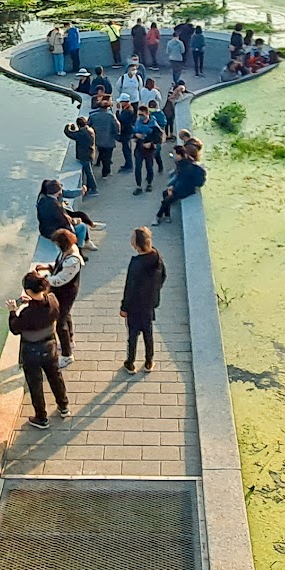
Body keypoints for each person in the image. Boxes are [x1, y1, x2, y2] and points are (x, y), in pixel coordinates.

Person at [9, 273, 68, 430]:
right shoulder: (53, 301)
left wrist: (13, 311)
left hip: (32, 350)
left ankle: (41, 417)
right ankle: (63, 406)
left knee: (35, 384)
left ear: (28, 291)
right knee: (55, 376)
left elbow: (15, 328)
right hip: (50, 345)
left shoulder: (27, 314)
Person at [119, 227, 167, 375]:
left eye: (132, 237)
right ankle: (148, 361)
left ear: (136, 244)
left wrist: (124, 307)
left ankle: (130, 363)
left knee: (132, 336)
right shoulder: (157, 256)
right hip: (149, 304)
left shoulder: (136, 263)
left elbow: (130, 287)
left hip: (135, 307)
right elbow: (163, 276)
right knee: (148, 334)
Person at [34, 228, 85, 365]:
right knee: (66, 315)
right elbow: (58, 267)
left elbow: (61, 279)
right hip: (62, 291)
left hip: (66, 292)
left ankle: (67, 355)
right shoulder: (67, 251)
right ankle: (70, 340)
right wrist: (47, 268)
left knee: (60, 322)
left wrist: (44, 279)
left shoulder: (73, 260)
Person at [37, 179, 99, 250]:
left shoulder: (43, 200)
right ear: (55, 192)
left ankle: (89, 230)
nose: (61, 191)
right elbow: (63, 221)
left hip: (45, 228)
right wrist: (74, 222)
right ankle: (80, 246)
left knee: (80, 216)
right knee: (82, 226)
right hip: (54, 231)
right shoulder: (54, 205)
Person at [156, 145, 206, 223]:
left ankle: (159, 215)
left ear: (180, 155)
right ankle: (166, 215)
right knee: (166, 195)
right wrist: (172, 187)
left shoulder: (185, 166)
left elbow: (182, 180)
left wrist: (173, 189)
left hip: (186, 189)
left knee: (167, 199)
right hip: (182, 187)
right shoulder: (185, 164)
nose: (174, 156)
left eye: (175, 154)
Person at [132, 107, 164, 194]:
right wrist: (136, 135)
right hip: (139, 147)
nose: (140, 117)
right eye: (139, 115)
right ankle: (138, 186)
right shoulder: (138, 123)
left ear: (147, 114)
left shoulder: (154, 125)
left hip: (150, 149)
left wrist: (151, 143)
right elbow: (133, 132)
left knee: (149, 167)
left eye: (142, 114)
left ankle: (149, 184)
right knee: (138, 167)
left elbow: (159, 138)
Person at [65, 116, 99, 196]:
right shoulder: (90, 130)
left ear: (79, 125)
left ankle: (94, 189)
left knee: (89, 172)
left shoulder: (82, 133)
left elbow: (69, 133)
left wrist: (68, 126)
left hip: (85, 155)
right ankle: (89, 187)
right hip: (90, 153)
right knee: (88, 171)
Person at [88, 100, 120, 180]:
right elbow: (116, 127)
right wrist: (116, 135)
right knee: (108, 157)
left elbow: (88, 126)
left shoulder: (93, 116)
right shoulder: (111, 116)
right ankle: (105, 173)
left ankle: (102, 166)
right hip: (109, 140)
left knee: (101, 153)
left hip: (98, 140)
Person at [115, 96, 137, 173]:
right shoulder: (128, 109)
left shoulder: (128, 111)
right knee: (126, 149)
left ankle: (129, 165)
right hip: (127, 131)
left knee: (126, 149)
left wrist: (117, 111)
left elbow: (121, 119)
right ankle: (127, 163)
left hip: (126, 132)